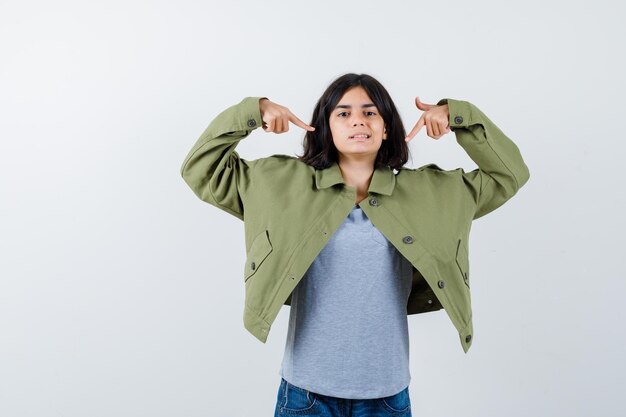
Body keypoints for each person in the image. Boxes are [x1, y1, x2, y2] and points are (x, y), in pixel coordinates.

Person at [180, 73, 530, 417]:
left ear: (387, 127)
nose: (358, 121)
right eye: (343, 113)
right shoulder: (279, 183)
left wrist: (459, 117)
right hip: (305, 395)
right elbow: (201, 169)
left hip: (386, 397)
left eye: (370, 112)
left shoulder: (432, 192)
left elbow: (508, 175)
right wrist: (253, 112)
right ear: (325, 126)